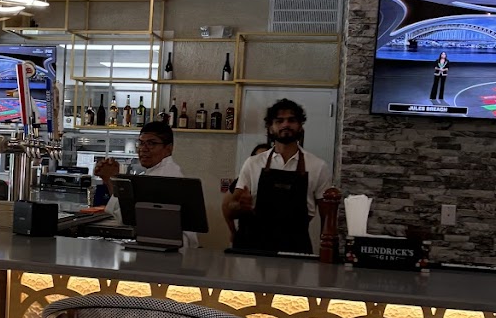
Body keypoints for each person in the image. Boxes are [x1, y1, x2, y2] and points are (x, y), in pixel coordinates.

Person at [222, 100, 330, 254]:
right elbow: (230, 207)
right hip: (254, 247)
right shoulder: (253, 163)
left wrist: (327, 253)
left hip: (296, 247)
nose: (286, 124)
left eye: (291, 120)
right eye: (279, 121)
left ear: (300, 126)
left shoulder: (318, 166)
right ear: (270, 128)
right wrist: (240, 206)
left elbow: (327, 217)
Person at [94, 120, 198, 245]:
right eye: (141, 143)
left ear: (168, 149)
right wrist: (111, 179)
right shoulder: (157, 172)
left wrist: (110, 178)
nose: (143, 149)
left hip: (169, 248)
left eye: (151, 143)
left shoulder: (163, 177)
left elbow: (128, 217)